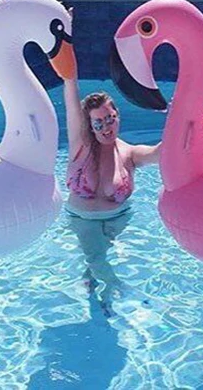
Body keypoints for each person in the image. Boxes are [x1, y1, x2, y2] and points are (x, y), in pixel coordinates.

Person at [63, 72, 160, 315]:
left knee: (97, 257)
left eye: (110, 119)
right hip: (82, 218)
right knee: (96, 258)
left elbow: (161, 153)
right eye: (98, 123)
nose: (106, 127)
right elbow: (72, 104)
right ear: (89, 126)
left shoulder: (130, 154)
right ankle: (118, 288)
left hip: (118, 218)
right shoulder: (80, 147)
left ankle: (93, 286)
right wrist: (69, 77)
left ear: (118, 116)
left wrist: (194, 143)